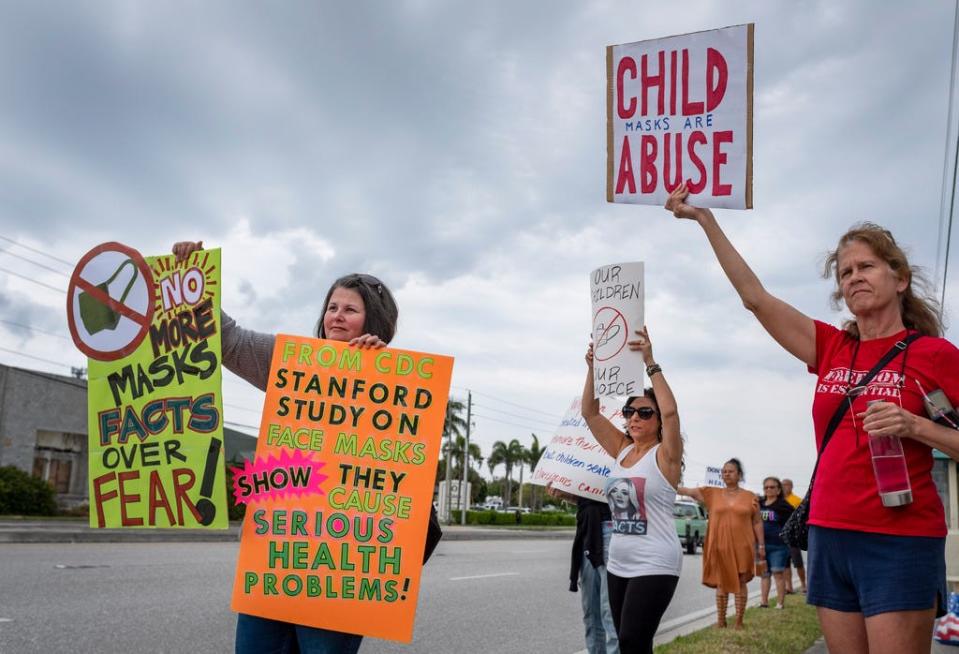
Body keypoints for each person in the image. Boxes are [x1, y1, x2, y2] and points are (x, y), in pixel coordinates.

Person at [666, 184, 959, 653]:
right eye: (845, 273)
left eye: (866, 266)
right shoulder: (833, 347)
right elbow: (755, 299)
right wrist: (705, 220)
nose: (854, 278)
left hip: (899, 539)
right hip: (829, 534)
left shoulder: (935, 355)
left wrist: (916, 426)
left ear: (899, 278)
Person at [173, 240, 398, 654]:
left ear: (375, 320)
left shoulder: (397, 378)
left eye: (350, 309)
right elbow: (229, 340)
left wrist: (379, 371)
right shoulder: (290, 361)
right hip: (275, 556)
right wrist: (193, 282)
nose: (336, 317)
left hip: (339, 567)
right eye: (332, 307)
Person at [582, 326, 684, 654]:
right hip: (619, 562)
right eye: (629, 412)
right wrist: (593, 370)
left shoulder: (665, 455)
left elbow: (671, 410)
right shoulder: (623, 450)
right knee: (633, 645)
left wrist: (650, 362)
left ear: (657, 420)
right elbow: (590, 412)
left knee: (631, 640)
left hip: (656, 561)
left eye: (644, 412)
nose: (634, 417)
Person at [679, 458, 762, 630]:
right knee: (721, 581)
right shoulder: (711, 493)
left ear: (739, 475)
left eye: (730, 471)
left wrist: (761, 545)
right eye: (724, 471)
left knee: (741, 580)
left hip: (743, 545)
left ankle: (739, 621)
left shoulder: (750, 497)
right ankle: (721, 621)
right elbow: (686, 491)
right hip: (719, 544)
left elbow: (757, 522)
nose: (726, 473)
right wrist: (667, 477)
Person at [547, 483, 619, 654]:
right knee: (591, 614)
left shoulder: (620, 458)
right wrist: (564, 494)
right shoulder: (584, 458)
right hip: (587, 530)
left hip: (612, 527)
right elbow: (587, 497)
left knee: (610, 613)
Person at [757, 476, 794, 609]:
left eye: (772, 487)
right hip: (761, 546)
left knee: (778, 573)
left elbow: (792, 525)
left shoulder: (784, 506)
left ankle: (780, 603)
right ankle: (764, 602)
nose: (769, 489)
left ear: (778, 490)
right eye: (766, 487)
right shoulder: (759, 504)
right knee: (764, 574)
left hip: (779, 546)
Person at [780, 478, 806, 594]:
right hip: (781, 537)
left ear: (791, 486)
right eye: (782, 485)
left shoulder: (797, 500)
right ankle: (788, 587)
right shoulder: (779, 501)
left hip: (792, 536)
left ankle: (803, 585)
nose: (784, 487)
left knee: (798, 562)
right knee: (785, 564)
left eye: (786, 485)